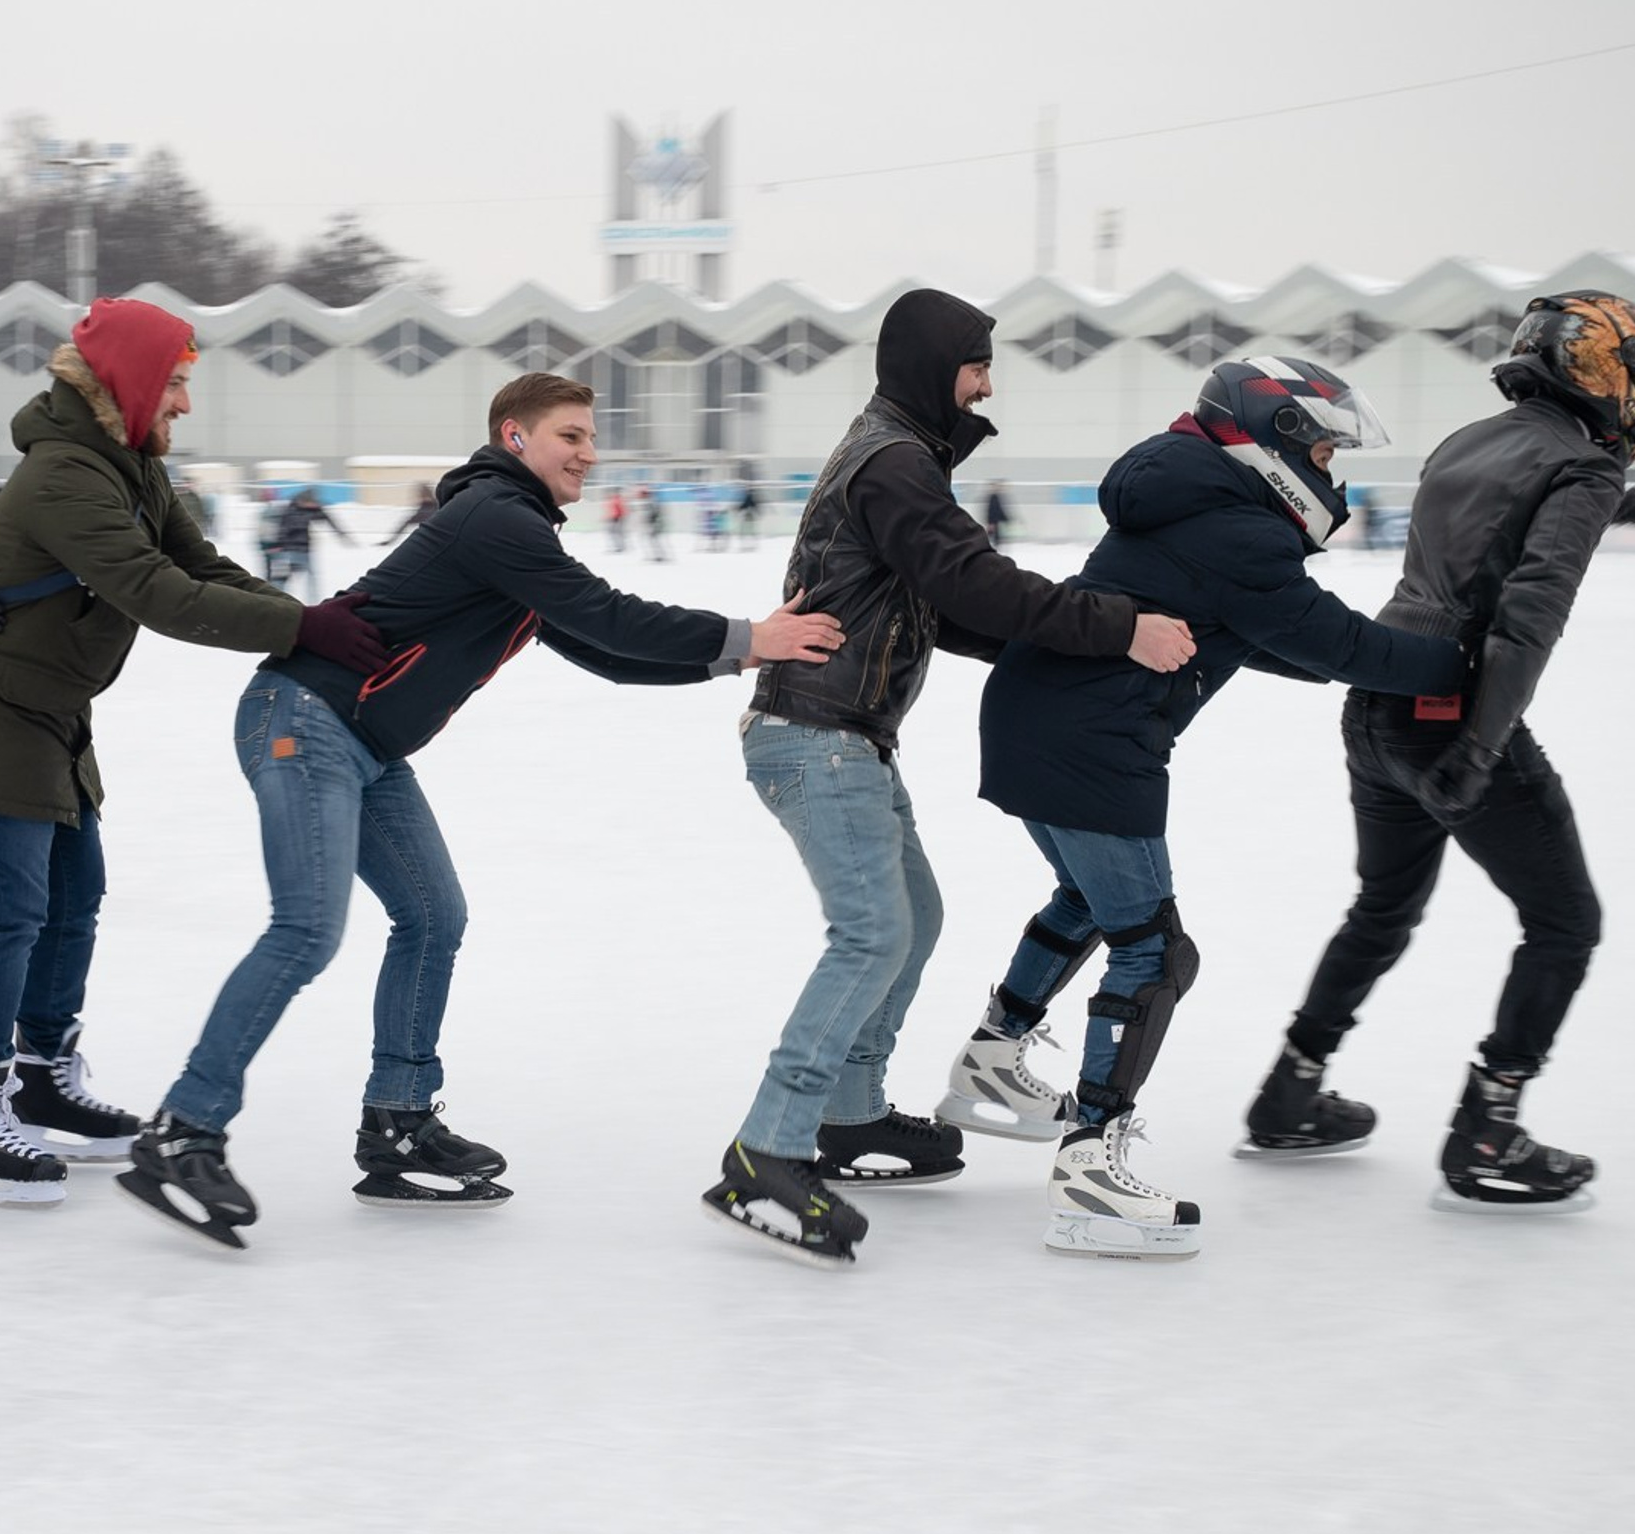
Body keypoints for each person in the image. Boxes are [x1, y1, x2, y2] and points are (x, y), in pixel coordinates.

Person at [118, 372, 843, 1248]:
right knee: (307, 927)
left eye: (589, 435)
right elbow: (605, 613)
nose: (589, 452)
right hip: (305, 720)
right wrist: (748, 637)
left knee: (432, 916)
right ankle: (183, 1129)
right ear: (514, 437)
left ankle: (398, 1121)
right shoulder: (496, 519)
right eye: (569, 435)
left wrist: (743, 659)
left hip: (364, 742)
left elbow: (603, 651)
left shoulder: (511, 531)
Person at [709, 288, 1198, 1270]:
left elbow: (945, 608)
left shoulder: (898, 454)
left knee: (913, 919)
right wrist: (1117, 626)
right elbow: (972, 581)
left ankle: (847, 1117)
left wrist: (1077, 652)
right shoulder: (893, 462)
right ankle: (767, 1147)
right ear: (934, 366)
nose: (985, 383)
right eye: (975, 364)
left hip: (846, 735)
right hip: (814, 737)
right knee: (873, 932)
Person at [961, 356, 1463, 1260]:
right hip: (1093, 744)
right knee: (1154, 952)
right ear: (1272, 441)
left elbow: (1260, 637)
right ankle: (1090, 1167)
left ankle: (994, 1057)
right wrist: (1456, 667)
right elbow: (1326, 636)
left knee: (1086, 901)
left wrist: (1354, 666)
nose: (1329, 468)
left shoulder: (1194, 501)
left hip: (1038, 722)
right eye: (1319, 445)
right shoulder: (1237, 530)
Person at [0, 297, 387, 1207]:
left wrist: (314, 625)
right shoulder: (63, 477)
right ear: (126, 382)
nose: (184, 405)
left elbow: (199, 565)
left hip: (49, 712)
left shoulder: (128, 466)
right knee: (9, 907)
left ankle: (40, 1071)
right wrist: (299, 625)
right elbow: (155, 591)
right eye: (174, 384)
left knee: (74, 897)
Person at [1248, 293, 1635, 1209]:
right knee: (1566, 923)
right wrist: (1481, 745)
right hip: (1457, 712)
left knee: (1384, 904)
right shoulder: (1582, 471)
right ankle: (1490, 1130)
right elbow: (1528, 619)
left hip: (1378, 698)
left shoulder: (1466, 440)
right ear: (1600, 372)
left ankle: (1288, 1091)